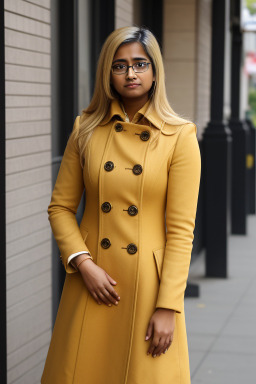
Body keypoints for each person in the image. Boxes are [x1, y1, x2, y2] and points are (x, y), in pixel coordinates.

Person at [41, 26, 201, 384]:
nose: (131, 73)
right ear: (108, 74)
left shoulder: (180, 135)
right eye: (120, 65)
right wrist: (83, 264)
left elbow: (180, 231)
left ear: (155, 70)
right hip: (93, 281)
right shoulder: (85, 129)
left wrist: (168, 306)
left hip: (147, 287)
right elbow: (61, 208)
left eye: (140, 64)